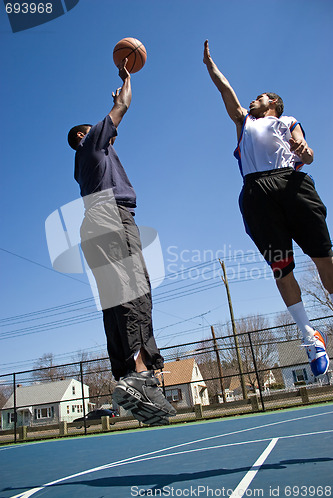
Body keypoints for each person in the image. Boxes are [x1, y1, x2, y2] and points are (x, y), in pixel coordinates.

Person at [203, 40, 333, 377]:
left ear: (272, 102)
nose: (252, 100)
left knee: (324, 260)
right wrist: (210, 67)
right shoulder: (244, 121)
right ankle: (310, 336)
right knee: (282, 267)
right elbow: (226, 89)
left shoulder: (287, 120)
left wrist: (304, 150)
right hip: (256, 194)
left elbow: (308, 155)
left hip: (292, 185)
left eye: (259, 97)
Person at [67, 59, 176, 425]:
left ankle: (128, 377)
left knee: (116, 301)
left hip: (93, 223)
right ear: (85, 136)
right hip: (110, 217)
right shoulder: (91, 146)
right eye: (96, 129)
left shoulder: (91, 160)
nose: (105, 131)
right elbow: (122, 107)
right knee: (135, 292)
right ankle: (141, 376)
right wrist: (126, 81)